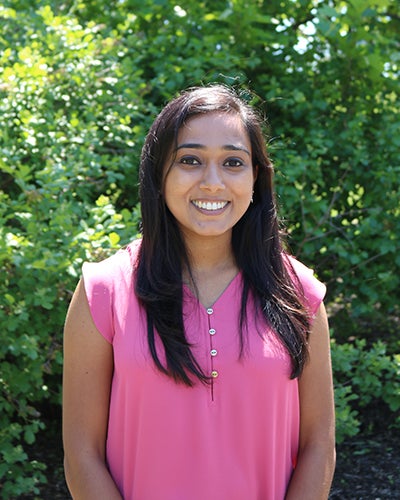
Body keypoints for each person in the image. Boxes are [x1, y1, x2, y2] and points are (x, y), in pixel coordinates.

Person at [62, 84, 336, 499]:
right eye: (190, 160)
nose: (212, 182)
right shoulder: (103, 292)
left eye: (232, 162)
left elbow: (319, 446)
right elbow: (81, 454)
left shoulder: (299, 294)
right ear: (159, 172)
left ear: (256, 177)